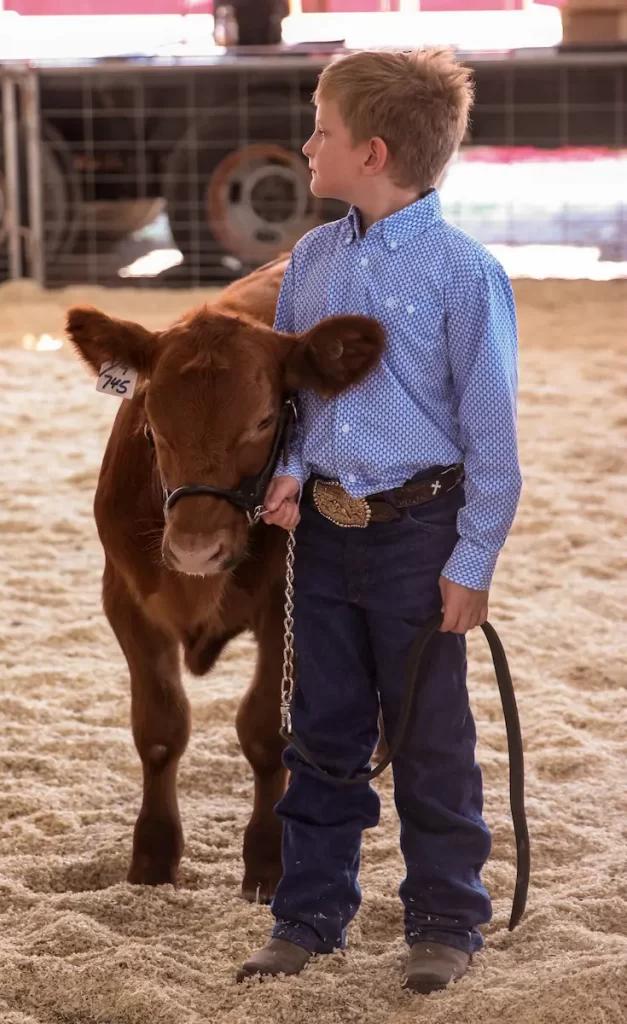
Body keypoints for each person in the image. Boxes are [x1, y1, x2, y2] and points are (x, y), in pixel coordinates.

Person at [236, 48, 522, 994]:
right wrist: (286, 470)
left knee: (429, 734)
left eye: (319, 127)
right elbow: (299, 400)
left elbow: (492, 439)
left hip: (416, 538)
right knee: (318, 732)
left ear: (372, 150)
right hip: (320, 536)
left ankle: (444, 919)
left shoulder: (463, 274)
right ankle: (309, 914)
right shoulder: (311, 261)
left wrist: (470, 561)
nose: (306, 141)